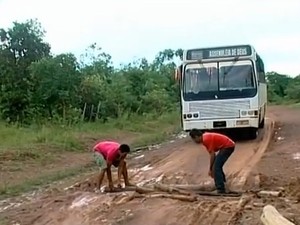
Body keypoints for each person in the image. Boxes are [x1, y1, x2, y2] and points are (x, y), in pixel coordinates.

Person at [189, 128, 235, 193]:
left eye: (194, 139)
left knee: (216, 168)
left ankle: (220, 189)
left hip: (228, 146)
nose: (194, 141)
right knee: (217, 166)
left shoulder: (205, 139)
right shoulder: (205, 137)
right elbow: (213, 155)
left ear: (196, 137)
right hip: (228, 146)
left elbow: (212, 155)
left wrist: (211, 168)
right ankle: (224, 185)